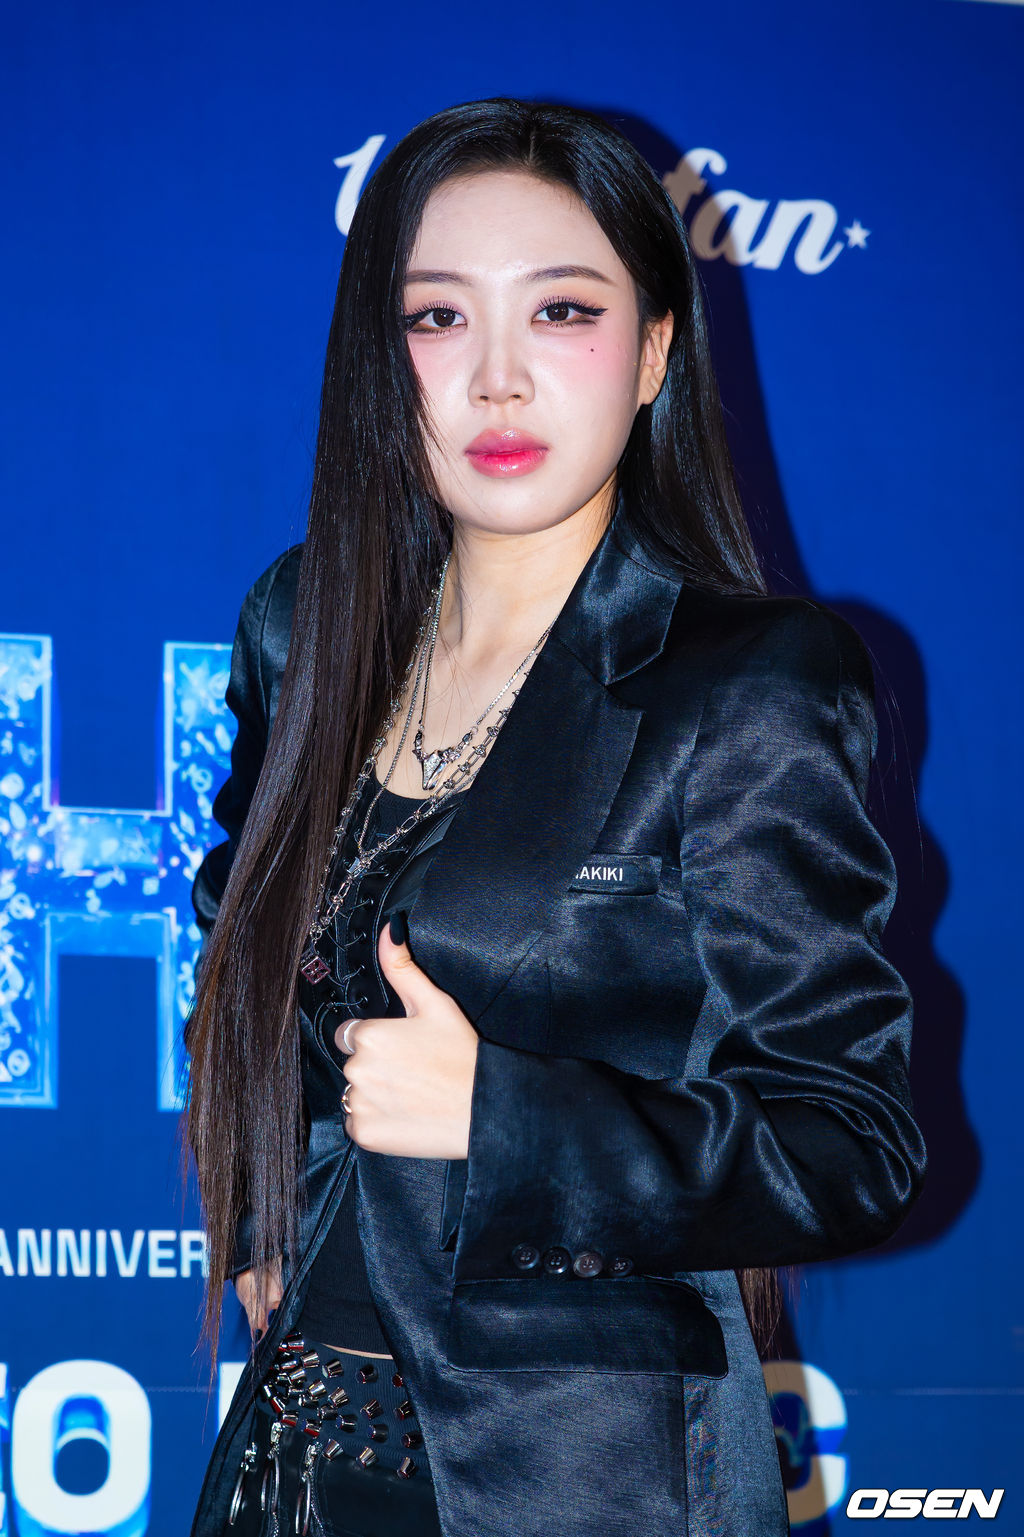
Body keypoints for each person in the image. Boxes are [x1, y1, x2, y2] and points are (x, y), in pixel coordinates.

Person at [184, 96, 927, 1537]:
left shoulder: (752, 682)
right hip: (292, 1459)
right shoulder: (305, 626)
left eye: (563, 311)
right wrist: (267, 1206)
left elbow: (848, 1142)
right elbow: (237, 945)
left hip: (582, 1481)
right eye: (438, 318)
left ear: (654, 353)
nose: (498, 379)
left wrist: (502, 1119)